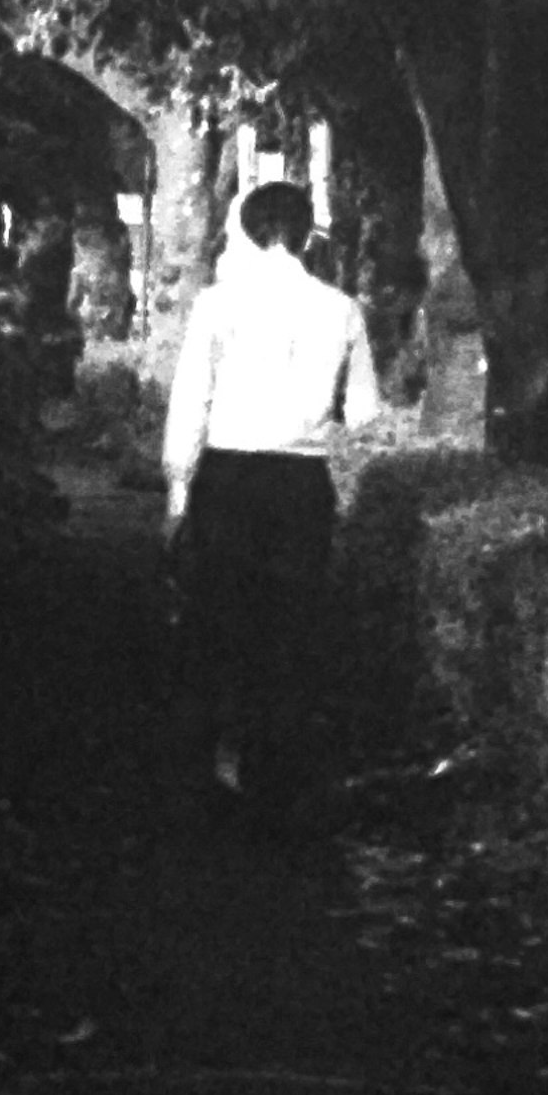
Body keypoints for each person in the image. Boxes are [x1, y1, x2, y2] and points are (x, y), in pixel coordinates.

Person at [162, 180, 381, 815]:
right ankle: (277, 771)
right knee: (289, 626)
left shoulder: (216, 305)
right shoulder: (341, 308)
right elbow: (364, 413)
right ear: (309, 232)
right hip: (301, 481)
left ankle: (206, 771)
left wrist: (177, 496)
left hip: (227, 476)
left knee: (218, 620)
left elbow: (190, 404)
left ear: (247, 231)